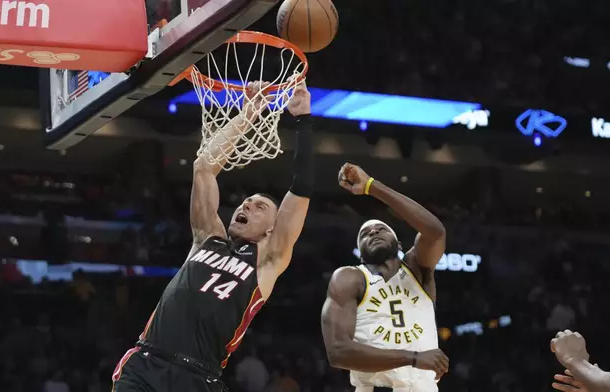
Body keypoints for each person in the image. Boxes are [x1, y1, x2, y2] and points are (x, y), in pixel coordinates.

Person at [112, 81, 314, 392]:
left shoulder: (267, 260)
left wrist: (303, 120)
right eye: (246, 202)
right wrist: (251, 111)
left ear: (272, 229)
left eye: (259, 206)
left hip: (198, 377)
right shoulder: (208, 237)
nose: (246, 204)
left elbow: (301, 191)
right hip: (147, 363)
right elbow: (204, 167)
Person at [321, 163, 449, 392]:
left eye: (381, 229)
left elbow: (436, 232)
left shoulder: (418, 269)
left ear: (398, 243)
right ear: (360, 253)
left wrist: (372, 186)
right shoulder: (351, 278)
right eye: (365, 234)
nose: (373, 232)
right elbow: (338, 352)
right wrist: (413, 358)